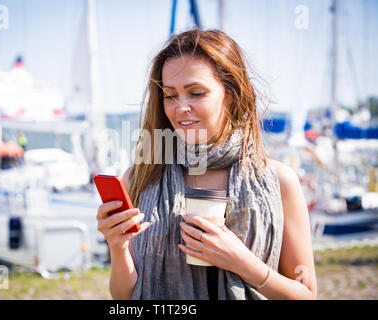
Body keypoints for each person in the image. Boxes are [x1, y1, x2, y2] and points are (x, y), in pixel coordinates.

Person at [96, 29, 317, 300]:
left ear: (233, 94)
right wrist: (117, 247)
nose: (180, 108)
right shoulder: (140, 177)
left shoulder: (279, 181)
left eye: (196, 93)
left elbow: (306, 294)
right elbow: (123, 298)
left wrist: (241, 262)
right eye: (170, 95)